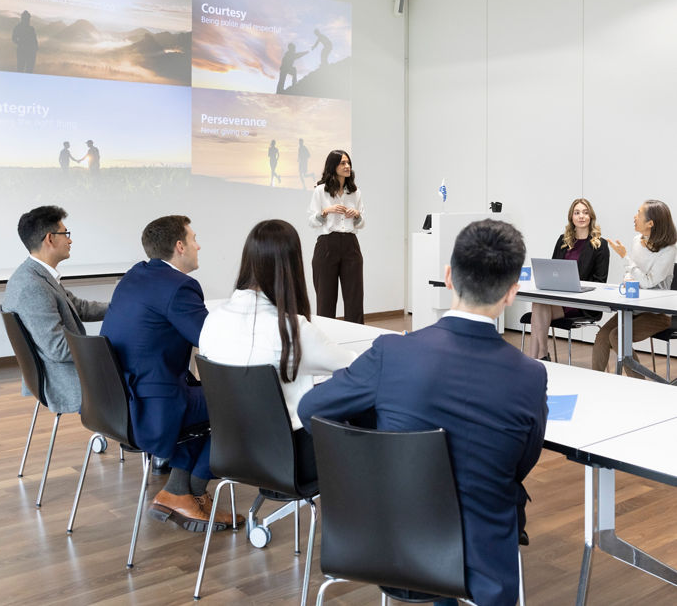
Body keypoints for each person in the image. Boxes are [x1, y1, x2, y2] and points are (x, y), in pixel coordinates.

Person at [298, 219, 548, 606]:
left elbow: (311, 408)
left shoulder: (392, 353)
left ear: (448, 276)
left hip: (388, 541)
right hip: (480, 562)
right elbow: (522, 464)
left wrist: (377, 446)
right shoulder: (531, 376)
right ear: (512, 293)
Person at [101, 215, 242, 533]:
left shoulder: (136, 275)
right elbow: (213, 343)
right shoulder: (180, 287)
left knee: (206, 396)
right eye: (194, 239)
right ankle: (192, 490)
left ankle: (179, 492)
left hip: (122, 401)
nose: (198, 245)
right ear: (180, 246)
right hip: (154, 404)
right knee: (239, 402)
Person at [198, 219, 356, 483]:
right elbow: (352, 366)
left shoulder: (213, 320)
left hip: (229, 451)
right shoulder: (290, 330)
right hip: (290, 458)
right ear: (291, 265)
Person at [2, 206, 108, 413]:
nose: (70, 240)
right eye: (65, 234)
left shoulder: (38, 275)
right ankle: (132, 431)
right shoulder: (32, 286)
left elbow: (78, 308)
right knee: (140, 373)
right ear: (50, 239)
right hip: (66, 381)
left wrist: (120, 308)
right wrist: (106, 350)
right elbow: (58, 349)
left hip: (67, 372)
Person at [592, 200, 677, 373]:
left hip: (657, 313)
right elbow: (633, 273)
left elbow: (647, 281)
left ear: (651, 223)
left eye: (638, 213)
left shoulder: (669, 249)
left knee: (616, 336)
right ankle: (596, 382)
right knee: (602, 336)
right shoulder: (637, 241)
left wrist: (624, 258)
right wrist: (628, 277)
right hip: (633, 307)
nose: (634, 217)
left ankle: (640, 386)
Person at [529, 198, 609, 359]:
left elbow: (600, 282)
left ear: (591, 216)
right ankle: (540, 356)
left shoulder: (600, 244)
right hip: (560, 298)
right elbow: (552, 271)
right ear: (571, 217)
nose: (581, 216)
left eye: (585, 213)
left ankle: (537, 357)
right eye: (577, 213)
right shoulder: (563, 241)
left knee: (538, 307)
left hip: (582, 302)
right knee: (538, 302)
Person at [308, 150, 365, 324]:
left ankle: (357, 337)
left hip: (350, 244)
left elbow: (361, 223)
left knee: (354, 297)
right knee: (325, 298)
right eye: (342, 163)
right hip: (327, 244)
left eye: (348, 163)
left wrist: (356, 216)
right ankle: (326, 339)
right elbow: (312, 221)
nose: (347, 166)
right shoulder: (320, 191)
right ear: (333, 166)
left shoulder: (355, 192)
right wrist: (326, 211)